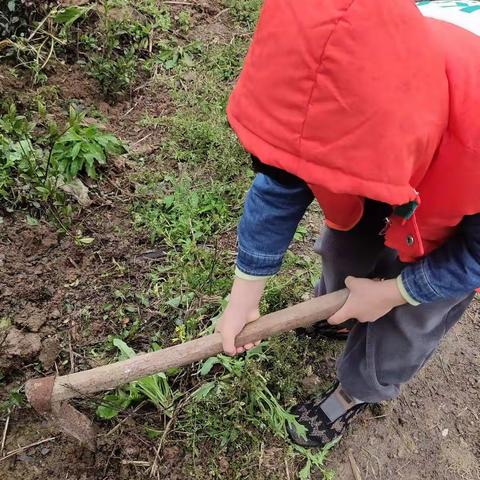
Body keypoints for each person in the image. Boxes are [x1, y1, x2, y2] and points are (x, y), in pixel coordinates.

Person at [215, 0, 480, 447]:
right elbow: (282, 181)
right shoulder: (334, 71)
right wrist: (245, 293)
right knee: (345, 248)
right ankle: (338, 312)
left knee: (410, 323)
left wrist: (395, 293)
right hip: (397, 147)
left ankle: (359, 390)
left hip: (459, 208)